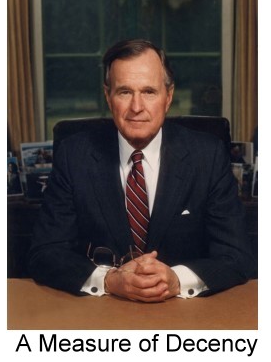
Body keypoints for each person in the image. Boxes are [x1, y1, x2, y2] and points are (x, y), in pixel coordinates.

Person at [28, 39, 254, 302]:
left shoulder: (208, 155)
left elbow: (238, 255)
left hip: (187, 319)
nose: (136, 107)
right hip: (102, 317)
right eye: (125, 92)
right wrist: (109, 280)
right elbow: (45, 253)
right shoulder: (74, 155)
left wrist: (178, 279)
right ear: (108, 96)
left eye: (149, 92)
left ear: (168, 97)